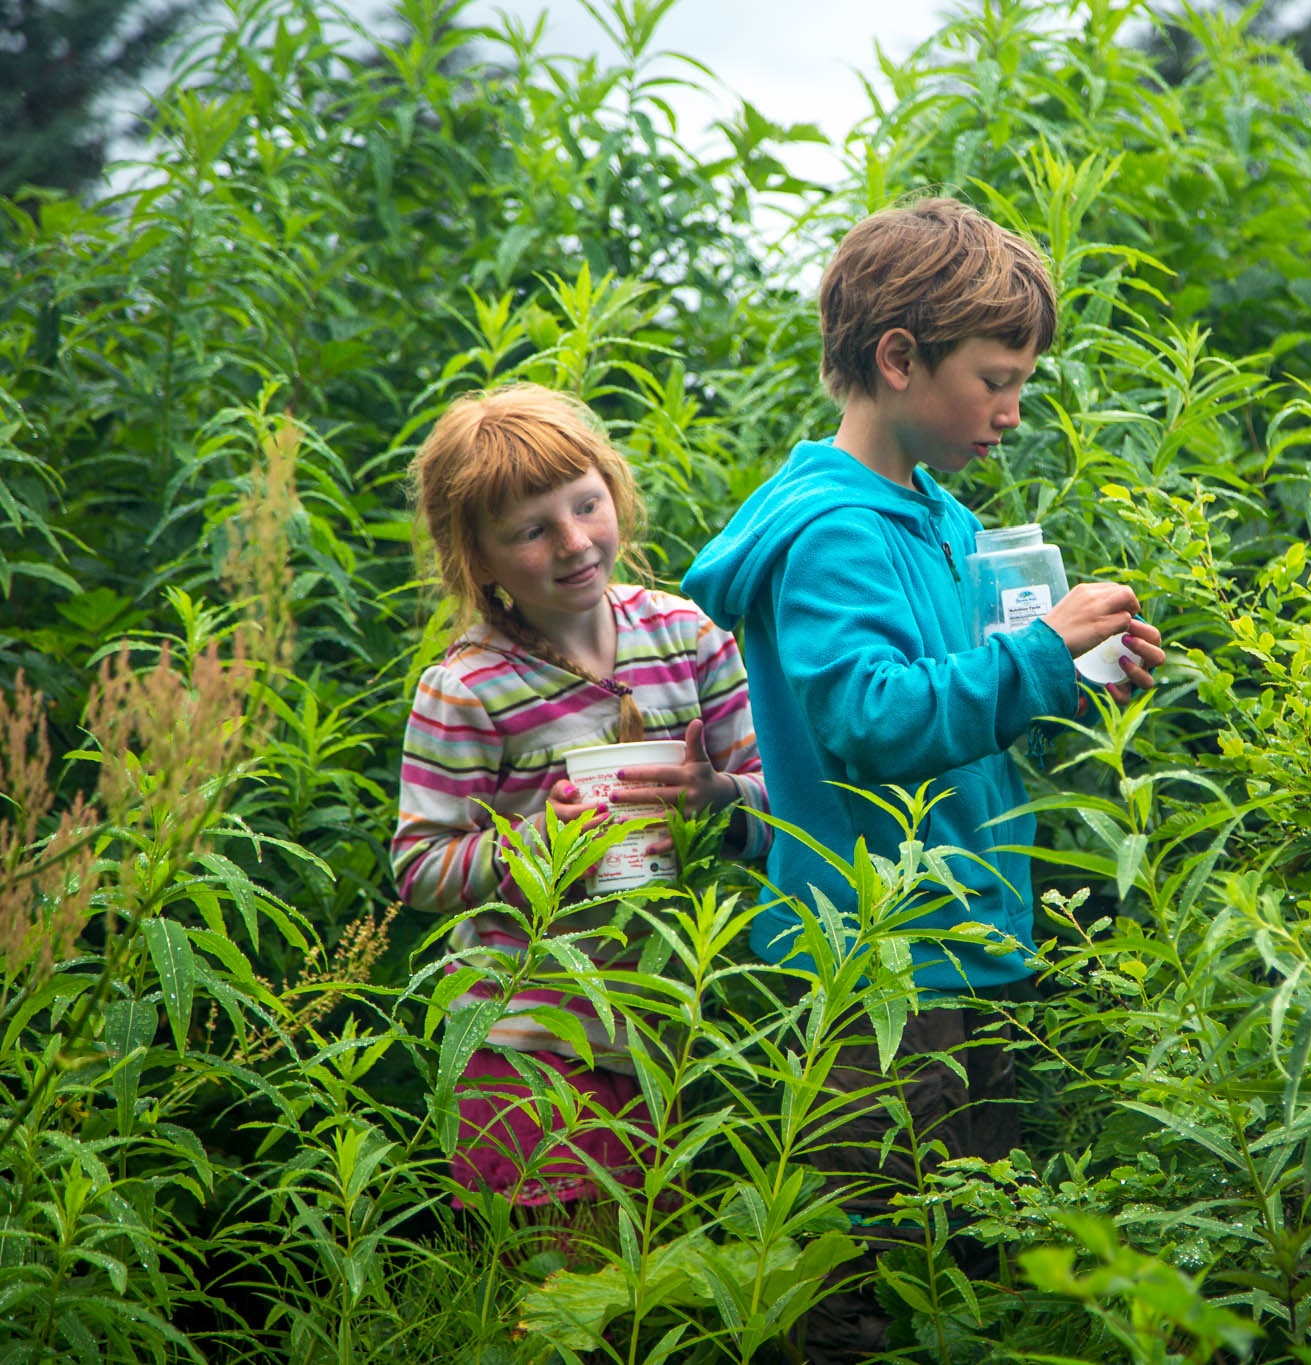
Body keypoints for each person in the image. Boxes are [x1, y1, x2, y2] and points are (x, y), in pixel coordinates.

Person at [682, 196, 1165, 1360]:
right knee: (859, 1274)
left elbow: (959, 696)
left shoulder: (936, 518)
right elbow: (872, 720)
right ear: (899, 359)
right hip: (875, 961)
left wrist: (1067, 674)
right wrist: (1040, 653)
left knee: (971, 1252)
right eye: (995, 379)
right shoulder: (832, 533)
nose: (1011, 410)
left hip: (962, 933)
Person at [392, 382, 769, 1213]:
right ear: (477, 557)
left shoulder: (686, 637)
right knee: (555, 1295)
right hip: (520, 1036)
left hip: (660, 1025)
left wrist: (716, 795)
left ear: (613, 489)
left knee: (640, 1289)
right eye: (531, 530)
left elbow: (778, 803)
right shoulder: (467, 688)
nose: (573, 542)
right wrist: (535, 841)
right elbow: (418, 867)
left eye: (586, 504)